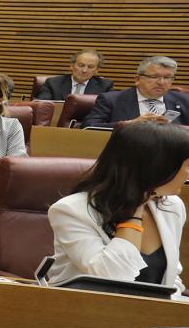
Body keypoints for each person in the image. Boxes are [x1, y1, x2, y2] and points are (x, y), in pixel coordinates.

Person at [46, 121, 189, 295]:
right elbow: (113, 277)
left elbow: (171, 278)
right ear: (157, 167)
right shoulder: (70, 210)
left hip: (152, 317)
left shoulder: (172, 206)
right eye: (187, 165)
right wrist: (135, 210)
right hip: (85, 314)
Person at [84, 56, 189, 128]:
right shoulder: (111, 100)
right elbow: (88, 126)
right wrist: (128, 124)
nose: (161, 82)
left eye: (167, 77)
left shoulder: (184, 100)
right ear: (138, 79)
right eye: (154, 77)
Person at [35, 49, 114, 100]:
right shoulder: (53, 83)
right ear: (72, 66)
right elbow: (42, 106)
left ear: (97, 70)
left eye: (90, 67)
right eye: (81, 65)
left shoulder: (105, 86)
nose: (84, 70)